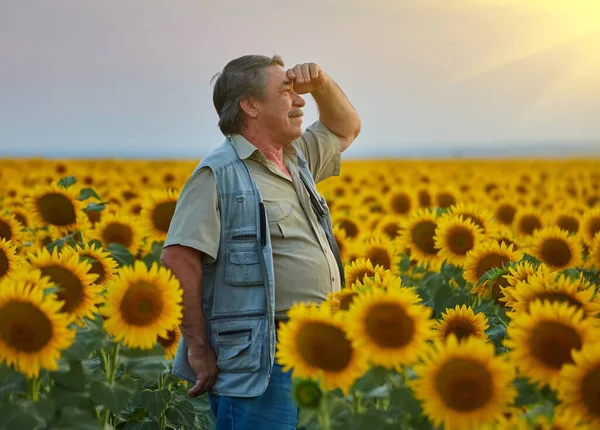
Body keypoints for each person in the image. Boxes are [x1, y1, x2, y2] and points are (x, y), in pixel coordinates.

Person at [160, 54, 361, 430]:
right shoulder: (218, 174)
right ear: (250, 106)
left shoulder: (297, 158)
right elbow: (179, 258)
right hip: (261, 358)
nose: (299, 100)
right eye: (286, 92)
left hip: (314, 345)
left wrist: (321, 83)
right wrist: (199, 350)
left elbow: (346, 127)